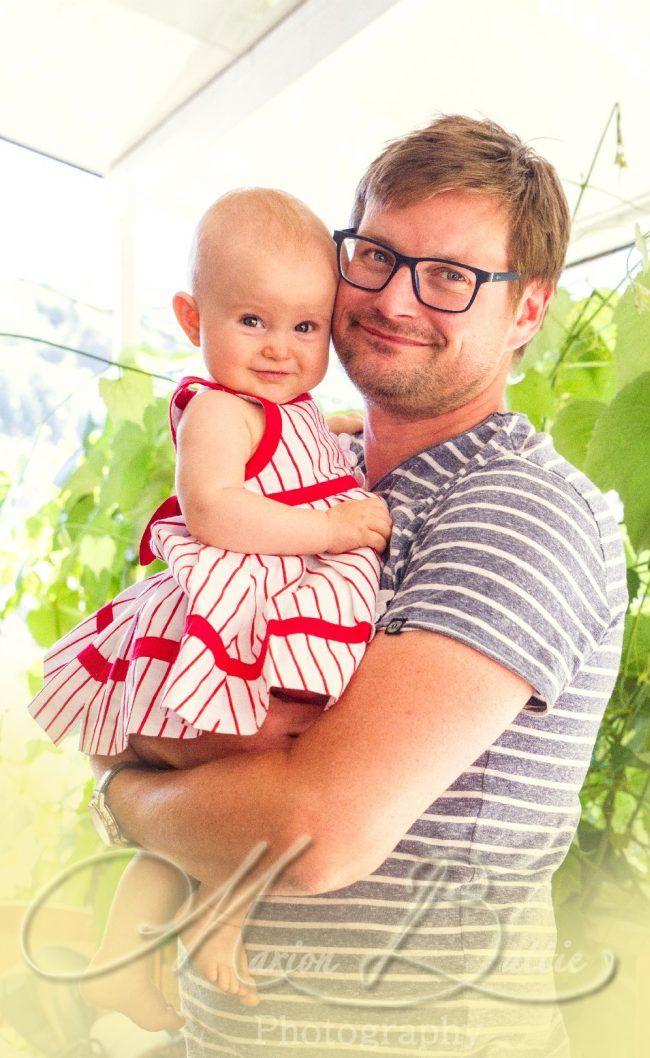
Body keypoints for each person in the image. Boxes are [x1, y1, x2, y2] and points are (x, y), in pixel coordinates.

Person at [85, 115, 627, 1057]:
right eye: (374, 254)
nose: (394, 300)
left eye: (451, 275)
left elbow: (315, 829)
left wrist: (130, 799)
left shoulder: (518, 511)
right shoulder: (306, 474)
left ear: (527, 311)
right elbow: (145, 674)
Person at [27, 188, 393, 1030]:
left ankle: (131, 950)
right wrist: (331, 525)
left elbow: (295, 452)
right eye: (252, 322)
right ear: (193, 318)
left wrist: (329, 437)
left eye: (304, 328)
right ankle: (217, 911)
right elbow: (217, 512)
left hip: (259, 608)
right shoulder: (220, 411)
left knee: (219, 782)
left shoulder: (288, 412)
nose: (278, 349)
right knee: (262, 756)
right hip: (225, 617)